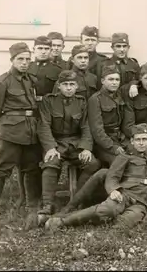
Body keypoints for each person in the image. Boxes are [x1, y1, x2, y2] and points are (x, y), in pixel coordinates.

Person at [45, 124, 147, 230]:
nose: (141, 143)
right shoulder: (125, 157)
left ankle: (102, 223)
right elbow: (112, 175)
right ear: (132, 141)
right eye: (138, 139)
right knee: (106, 210)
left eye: (144, 139)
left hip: (143, 202)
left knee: (124, 223)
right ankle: (63, 221)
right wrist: (113, 190)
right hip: (126, 194)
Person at [0, 42, 42, 229]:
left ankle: (31, 205)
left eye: (27, 59)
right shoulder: (2, 82)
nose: (25, 63)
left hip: (30, 131)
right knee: (2, 169)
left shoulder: (30, 80)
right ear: (12, 60)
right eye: (20, 59)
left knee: (31, 168)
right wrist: (6, 127)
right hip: (10, 132)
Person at [36, 70, 101, 219]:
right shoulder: (49, 101)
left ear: (77, 86)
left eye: (72, 84)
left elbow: (86, 127)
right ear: (59, 86)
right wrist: (50, 147)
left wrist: (85, 148)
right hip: (56, 142)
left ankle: (77, 200)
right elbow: (44, 125)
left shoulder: (81, 102)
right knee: (51, 162)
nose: (69, 88)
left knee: (92, 164)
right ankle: (47, 204)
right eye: (65, 84)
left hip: (75, 143)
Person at [88, 65, 129, 167]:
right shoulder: (95, 99)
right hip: (103, 144)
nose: (114, 82)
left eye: (117, 79)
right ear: (102, 81)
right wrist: (112, 147)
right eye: (110, 79)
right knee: (119, 162)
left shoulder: (119, 96)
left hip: (120, 139)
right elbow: (97, 131)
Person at [98, 33, 141, 98]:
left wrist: (133, 85)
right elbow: (99, 85)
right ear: (112, 48)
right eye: (118, 46)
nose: (122, 50)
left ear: (128, 47)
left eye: (124, 46)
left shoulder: (134, 64)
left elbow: (139, 81)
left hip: (129, 100)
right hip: (110, 101)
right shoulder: (104, 64)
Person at [27, 36, 63, 102]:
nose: (43, 52)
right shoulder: (27, 68)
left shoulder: (58, 70)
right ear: (33, 50)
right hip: (29, 106)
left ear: (51, 50)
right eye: (40, 48)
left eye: (46, 49)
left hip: (49, 106)